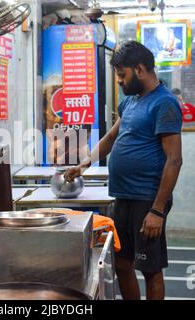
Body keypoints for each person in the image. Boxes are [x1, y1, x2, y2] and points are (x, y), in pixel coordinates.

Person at [64, 41, 183, 300]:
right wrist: (84, 163)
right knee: (122, 264)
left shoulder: (164, 104)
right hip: (123, 196)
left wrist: (157, 210)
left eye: (122, 74)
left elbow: (174, 160)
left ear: (140, 69)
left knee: (149, 269)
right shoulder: (130, 102)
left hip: (146, 199)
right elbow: (111, 137)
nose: (119, 81)